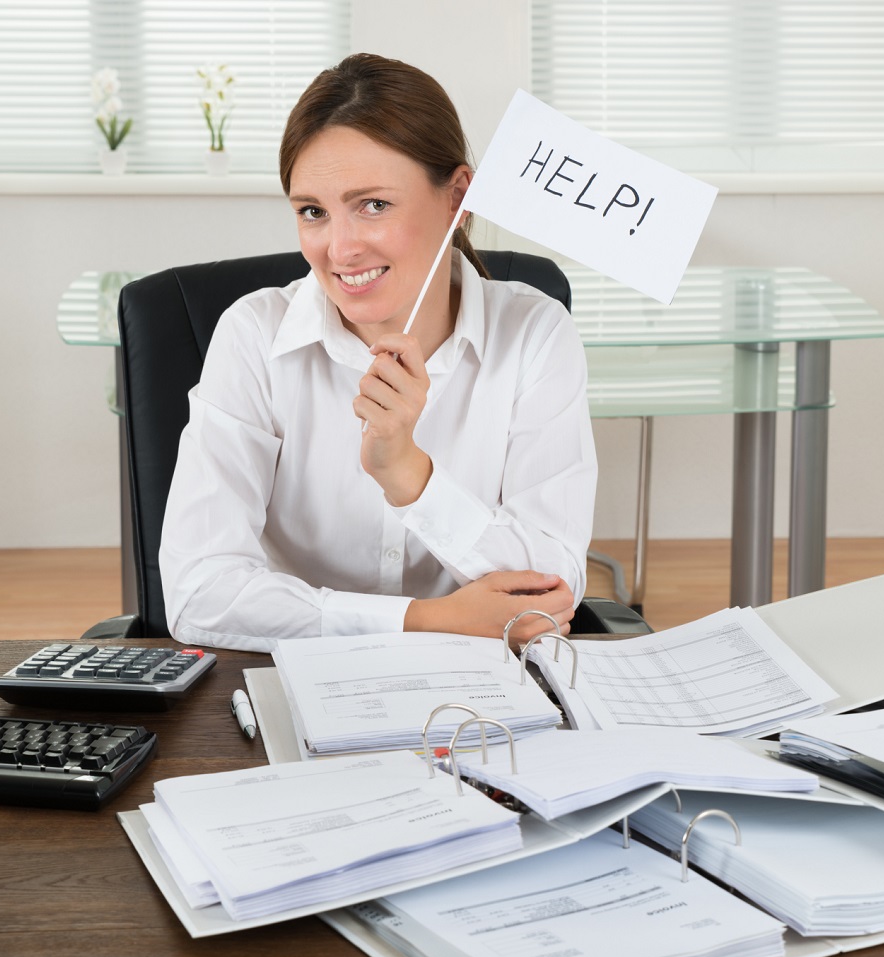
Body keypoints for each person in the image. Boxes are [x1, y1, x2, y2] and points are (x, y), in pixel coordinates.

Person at [158, 53, 596, 653]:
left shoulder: (535, 333)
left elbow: (551, 585)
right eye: (313, 212)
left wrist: (410, 477)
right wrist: (423, 619)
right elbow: (198, 592)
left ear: (457, 198)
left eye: (374, 205)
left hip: (480, 696)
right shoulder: (255, 335)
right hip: (289, 683)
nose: (339, 249)